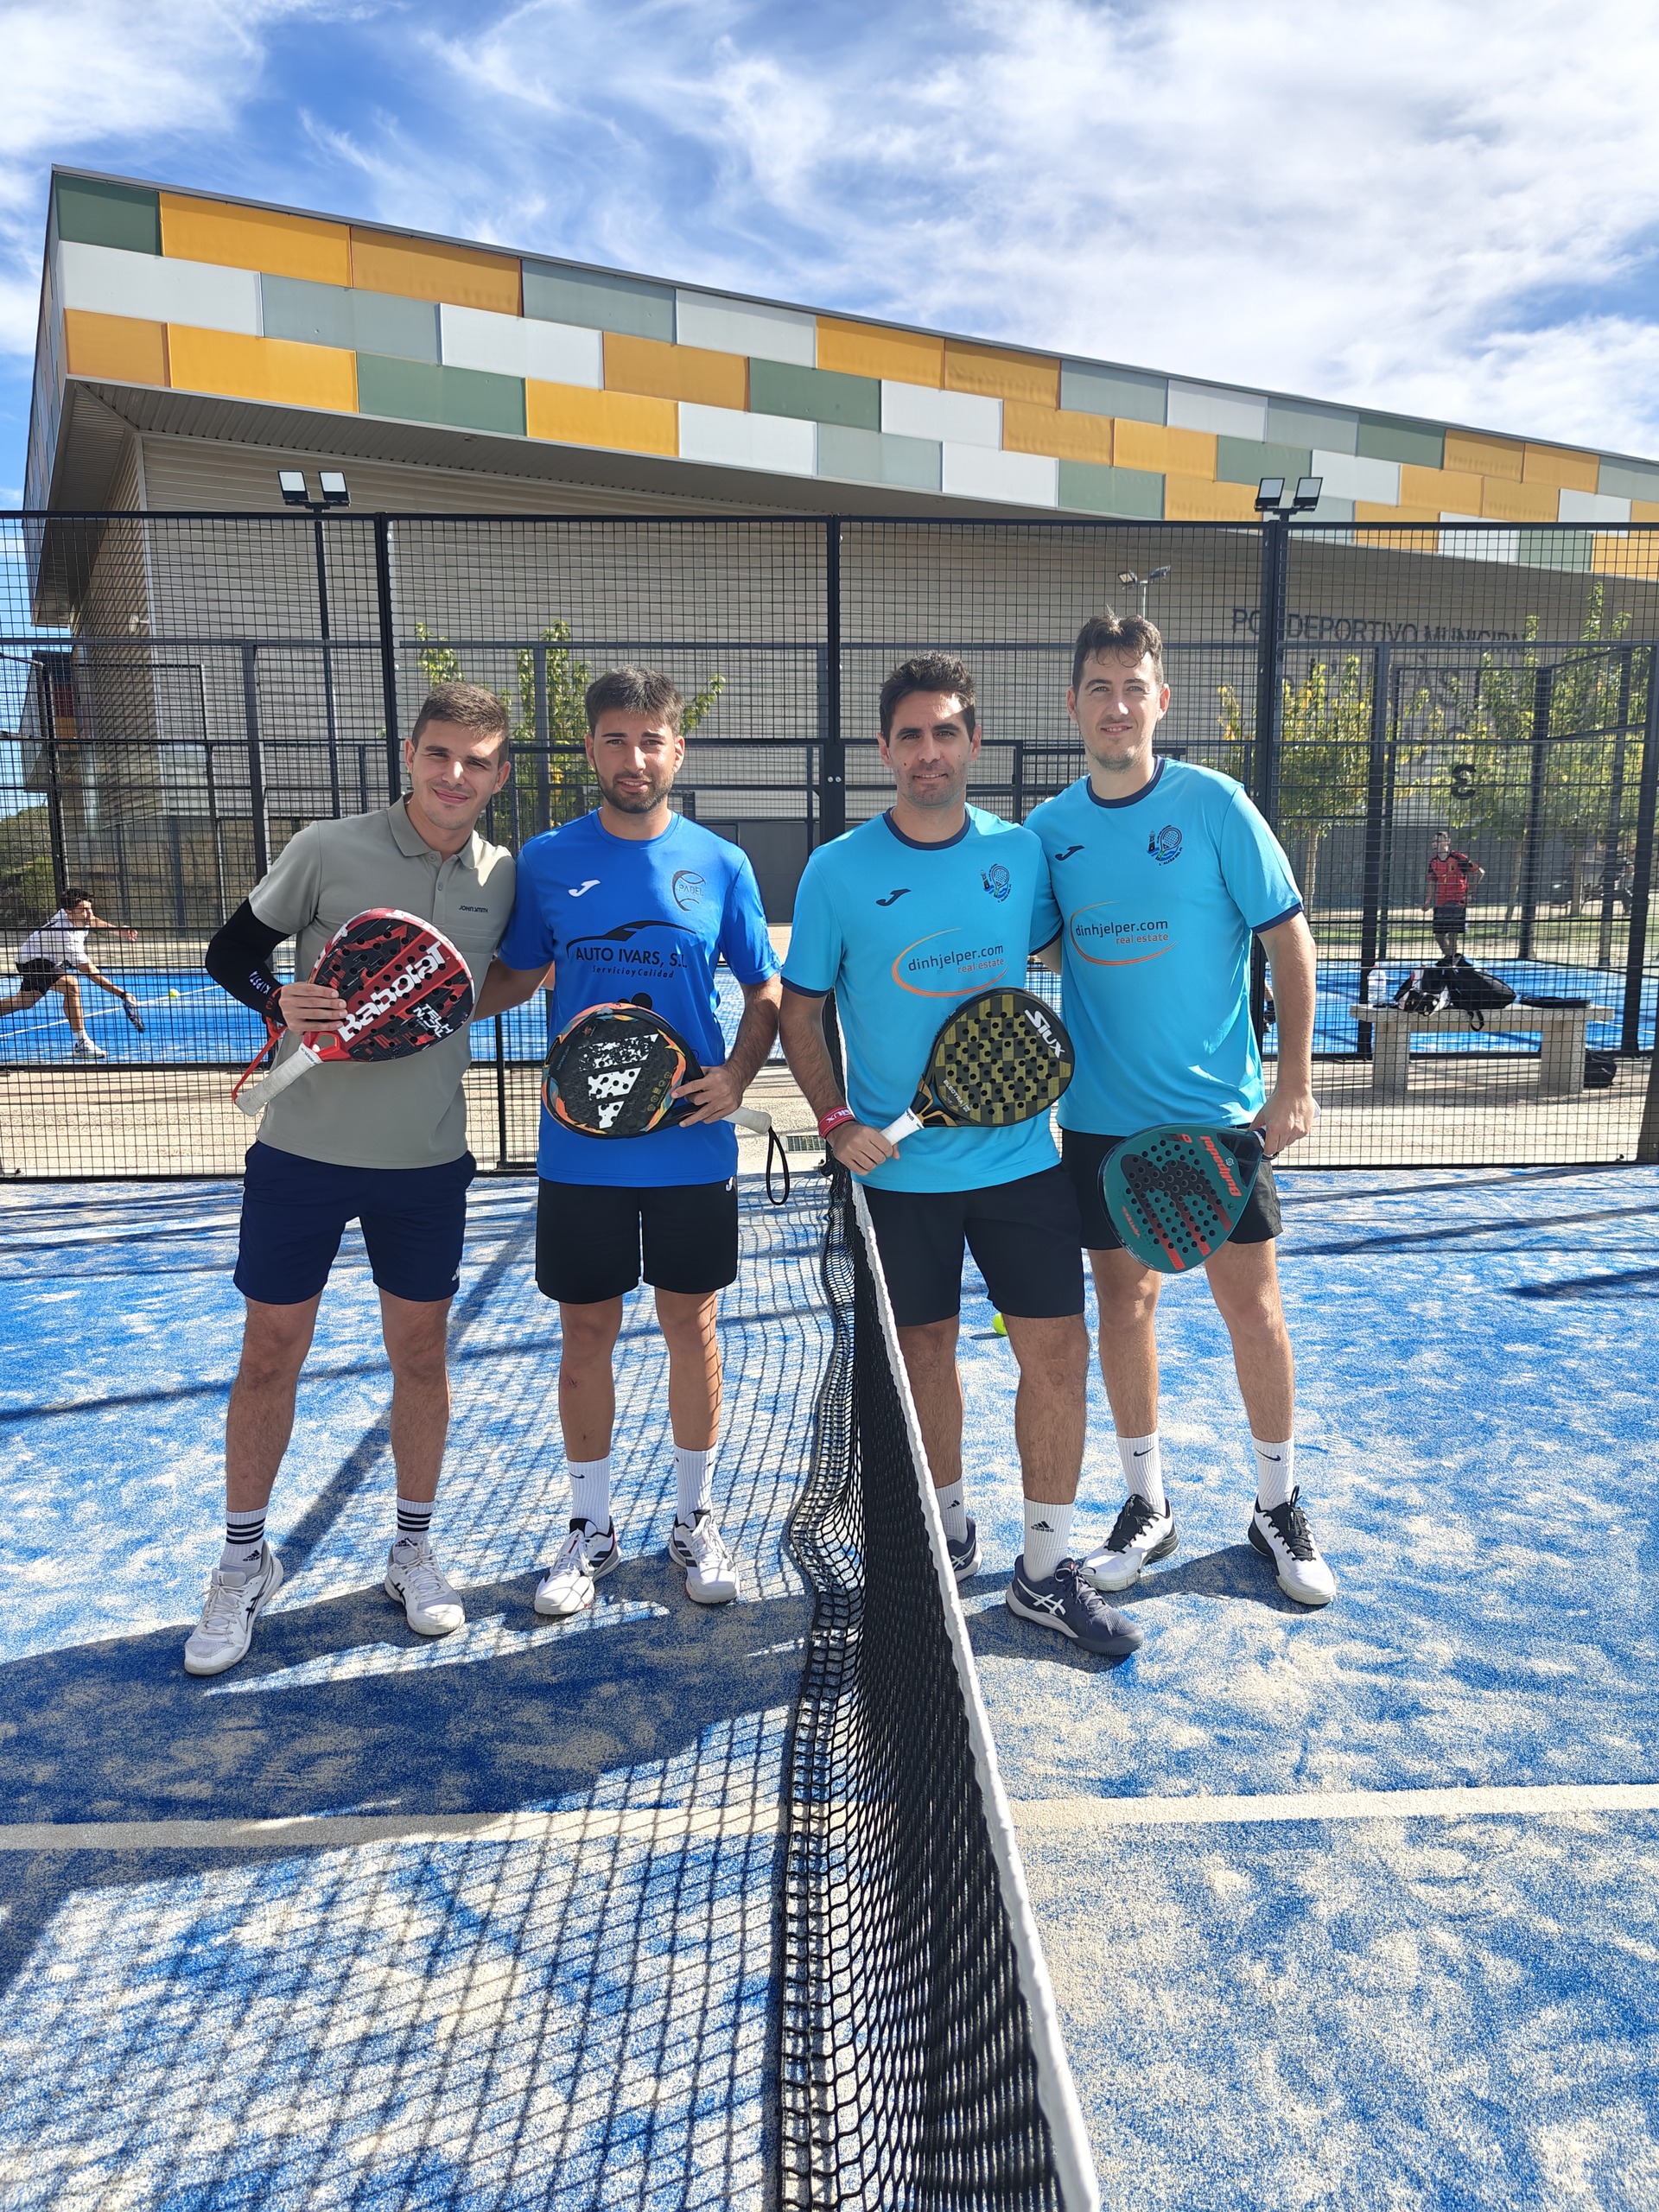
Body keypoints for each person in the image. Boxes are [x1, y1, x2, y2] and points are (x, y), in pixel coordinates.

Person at [779, 652, 1141, 1657]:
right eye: (911, 735)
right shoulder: (836, 870)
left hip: (1024, 1166)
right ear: (884, 750)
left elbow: (1075, 948)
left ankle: (1045, 1570)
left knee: (1056, 1358)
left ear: (973, 742)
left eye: (946, 732)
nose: (929, 751)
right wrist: (834, 1119)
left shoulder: (1020, 853)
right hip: (899, 1181)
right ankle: (943, 1536)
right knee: (925, 1358)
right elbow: (801, 1012)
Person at [182, 682, 544, 1676]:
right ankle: (243, 1563)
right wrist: (278, 999)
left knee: (421, 1357)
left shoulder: (504, 876)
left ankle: (412, 1550)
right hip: (299, 1157)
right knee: (270, 1354)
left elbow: (493, 979)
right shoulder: (326, 847)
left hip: (424, 1166)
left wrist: (448, 1001)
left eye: (477, 761)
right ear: (411, 753)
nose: (456, 775)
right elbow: (231, 950)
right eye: (440, 754)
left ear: (498, 775)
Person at [1027, 610, 1336, 1609]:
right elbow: (1032, 944)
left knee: (1254, 1309)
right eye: (1099, 688)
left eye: (1134, 687)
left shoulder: (1216, 805)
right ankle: (1147, 1502)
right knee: (1125, 1307)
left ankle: (1277, 1504)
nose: (1117, 705)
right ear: (1074, 704)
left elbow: (1290, 940)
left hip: (1217, 1120)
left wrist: (1294, 1083)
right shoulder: (1050, 831)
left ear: (1161, 700)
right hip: (1100, 1122)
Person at [489, 666, 782, 1617]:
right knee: (586, 1333)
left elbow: (766, 988)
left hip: (690, 1146)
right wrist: (430, 999)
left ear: (677, 750)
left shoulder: (722, 863)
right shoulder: (545, 861)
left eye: (651, 740)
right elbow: (514, 973)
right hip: (581, 1151)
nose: (633, 757)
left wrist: (738, 1077)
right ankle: (591, 1528)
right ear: (591, 749)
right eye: (615, 739)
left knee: (691, 1328)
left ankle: (696, 1518)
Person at [0, 888, 140, 1056]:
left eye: (89, 908)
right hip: (31, 962)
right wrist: (122, 994)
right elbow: (91, 972)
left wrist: (117, 931)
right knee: (71, 986)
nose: (89, 913)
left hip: (43, 959)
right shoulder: (66, 937)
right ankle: (82, 1043)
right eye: (83, 910)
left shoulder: (76, 916)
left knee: (23, 1002)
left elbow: (93, 920)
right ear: (69, 912)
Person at [1422, 830, 1484, 958]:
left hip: (1457, 901)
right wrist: (1428, 901)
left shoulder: (1458, 858)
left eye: (1439, 841)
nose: (1436, 843)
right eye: (1434, 841)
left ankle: (1452, 962)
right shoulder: (1433, 861)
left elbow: (1479, 872)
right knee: (1439, 935)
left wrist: (1470, 891)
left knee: (1452, 934)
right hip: (1441, 902)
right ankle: (1451, 957)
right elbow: (1432, 881)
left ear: (1447, 842)